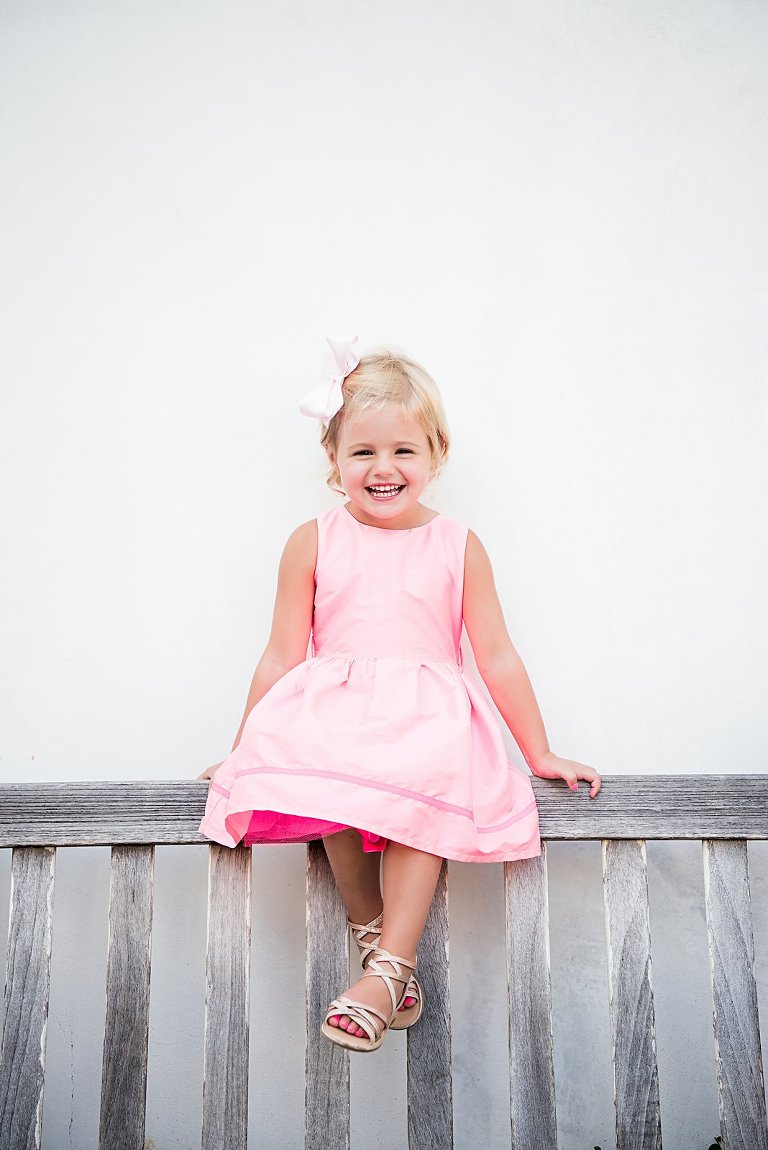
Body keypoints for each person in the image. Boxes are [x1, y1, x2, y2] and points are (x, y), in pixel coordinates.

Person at [198, 335, 601, 1053]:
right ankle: (372, 932)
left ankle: (389, 969)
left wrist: (537, 751)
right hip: (339, 713)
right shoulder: (311, 541)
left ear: (436, 453)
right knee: (314, 756)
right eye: (363, 453)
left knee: (426, 770)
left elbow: (497, 654)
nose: (383, 468)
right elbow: (282, 654)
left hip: (426, 722)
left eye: (402, 451)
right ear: (333, 462)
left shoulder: (458, 545)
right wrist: (242, 752)